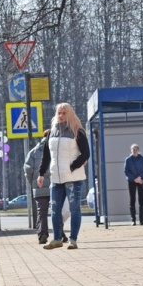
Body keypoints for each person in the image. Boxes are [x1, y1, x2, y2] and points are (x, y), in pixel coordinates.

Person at [38, 103, 90, 250]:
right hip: (56, 178)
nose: (60, 116)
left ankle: (73, 239)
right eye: (59, 113)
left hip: (73, 178)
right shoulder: (51, 133)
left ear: (69, 114)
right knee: (54, 210)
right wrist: (41, 173)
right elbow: (46, 155)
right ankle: (56, 239)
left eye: (63, 113)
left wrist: (72, 166)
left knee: (74, 209)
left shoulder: (77, 131)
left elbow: (86, 153)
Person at [24, 135, 50, 244]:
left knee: (42, 212)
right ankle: (61, 234)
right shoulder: (55, 148)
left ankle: (42, 234)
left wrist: (33, 183)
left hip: (39, 187)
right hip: (55, 186)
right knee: (58, 211)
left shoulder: (33, 152)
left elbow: (28, 170)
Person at [124, 143, 143, 225]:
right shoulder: (128, 160)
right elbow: (126, 171)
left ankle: (141, 220)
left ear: (138, 150)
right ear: (131, 150)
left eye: (136, 149)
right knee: (132, 199)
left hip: (141, 181)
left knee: (141, 199)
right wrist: (134, 179)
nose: (134, 151)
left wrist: (140, 178)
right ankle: (133, 220)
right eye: (133, 149)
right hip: (132, 181)